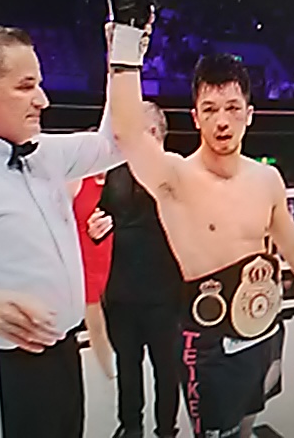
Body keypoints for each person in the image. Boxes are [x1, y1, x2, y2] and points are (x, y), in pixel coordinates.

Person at [101, 0, 294, 436]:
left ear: (250, 114)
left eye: (231, 108)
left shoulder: (267, 179)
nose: (222, 121)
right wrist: (126, 37)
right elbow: (126, 132)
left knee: (248, 424)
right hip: (208, 340)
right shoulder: (175, 178)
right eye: (210, 109)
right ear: (195, 117)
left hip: (265, 328)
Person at [0, 24, 123, 438]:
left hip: (64, 356)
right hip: (4, 369)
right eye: (26, 86)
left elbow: (116, 143)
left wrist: (122, 58)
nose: (43, 100)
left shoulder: (45, 153)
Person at [87, 102, 182, 438]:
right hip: (121, 293)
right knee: (128, 369)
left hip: (165, 295)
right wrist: (96, 228)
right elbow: (96, 219)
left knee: (167, 370)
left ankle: (167, 430)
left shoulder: (175, 172)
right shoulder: (114, 173)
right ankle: (130, 428)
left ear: (153, 132)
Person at [70, 167, 116, 380]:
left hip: (117, 257)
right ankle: (110, 374)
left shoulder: (124, 180)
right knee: (96, 323)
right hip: (86, 261)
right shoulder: (76, 181)